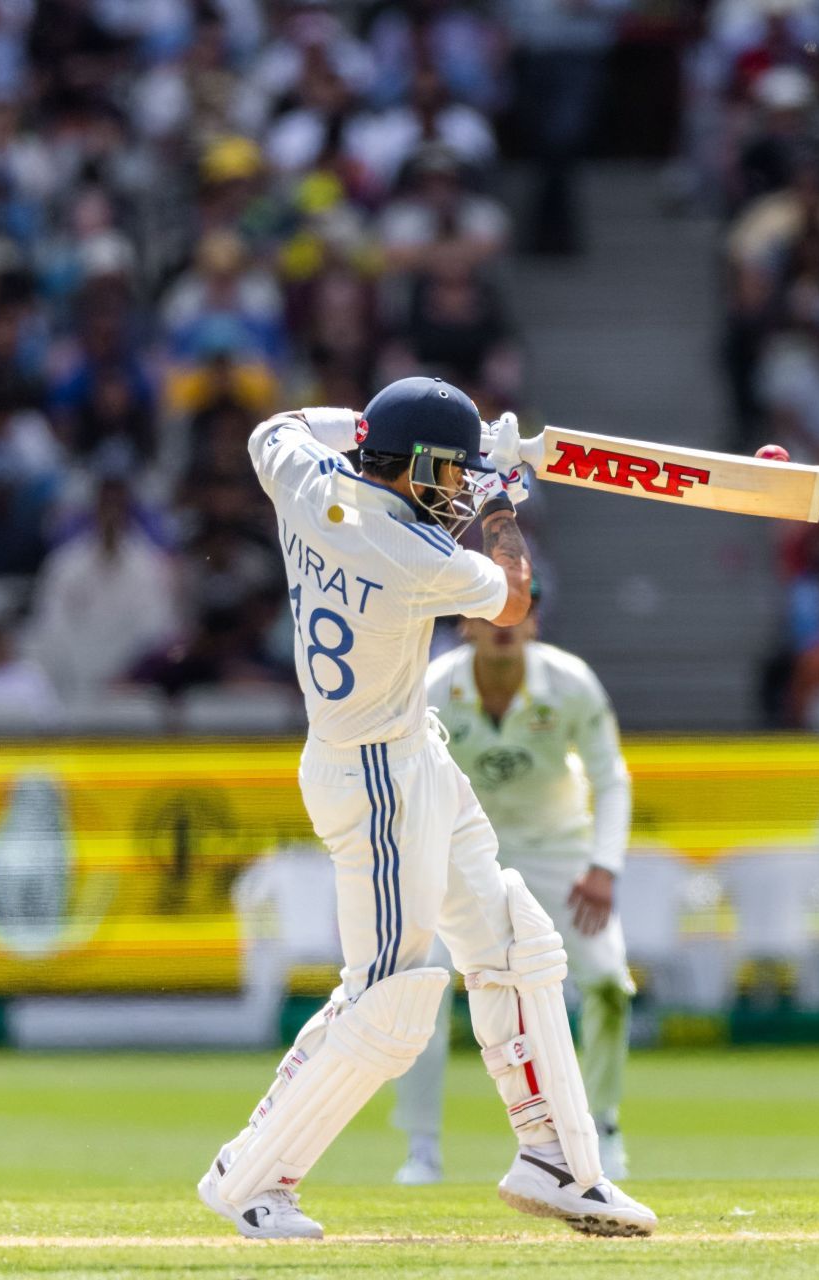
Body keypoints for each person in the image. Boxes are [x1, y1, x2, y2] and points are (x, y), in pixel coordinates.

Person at [197, 376, 657, 1240]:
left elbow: (279, 426)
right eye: (448, 472)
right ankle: (250, 1177)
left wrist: (470, 440)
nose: (455, 489)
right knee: (390, 997)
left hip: (409, 752)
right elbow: (517, 601)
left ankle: (559, 1162)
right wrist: (504, 502)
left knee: (517, 944)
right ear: (409, 465)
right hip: (375, 774)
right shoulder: (410, 556)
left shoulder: (302, 477)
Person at [393, 583, 636, 1185]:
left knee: (608, 985)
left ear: (534, 623)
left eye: (517, 609)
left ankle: (602, 1126)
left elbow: (611, 778)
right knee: (420, 990)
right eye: (488, 610)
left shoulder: (571, 682)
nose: (504, 621)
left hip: (560, 854)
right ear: (465, 626)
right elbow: (408, 785)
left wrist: (603, 866)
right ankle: (421, 1146)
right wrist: (418, 868)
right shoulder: (433, 690)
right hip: (461, 856)